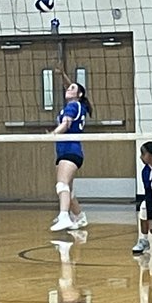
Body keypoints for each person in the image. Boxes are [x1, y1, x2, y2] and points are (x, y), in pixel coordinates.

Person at [50, 72, 90, 233]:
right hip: (68, 152)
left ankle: (64, 216)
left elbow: (66, 124)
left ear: (79, 94)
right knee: (68, 190)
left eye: (72, 88)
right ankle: (80, 217)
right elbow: (70, 86)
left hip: (69, 151)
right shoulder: (80, 105)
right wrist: (62, 75)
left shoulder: (73, 106)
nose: (67, 88)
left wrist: (54, 134)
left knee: (62, 185)